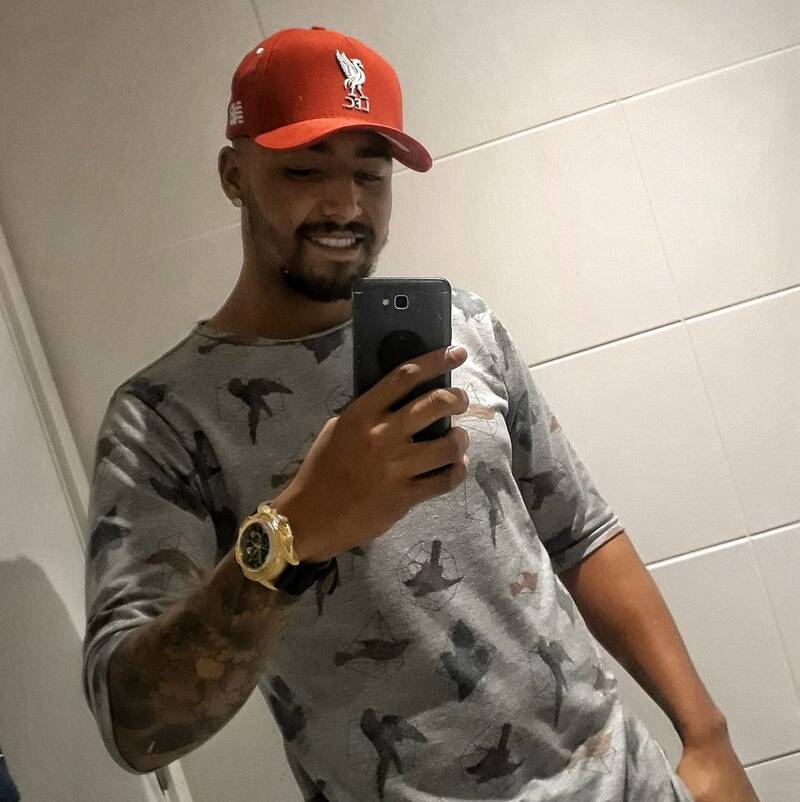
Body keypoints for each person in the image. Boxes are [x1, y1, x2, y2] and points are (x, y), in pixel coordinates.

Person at [82, 25, 757, 802]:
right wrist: (294, 534)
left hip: (625, 784)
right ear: (235, 175)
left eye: (371, 174)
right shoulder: (164, 420)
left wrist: (707, 735)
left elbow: (579, 528)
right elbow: (136, 728)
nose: (345, 204)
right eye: (304, 169)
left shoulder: (464, 329)